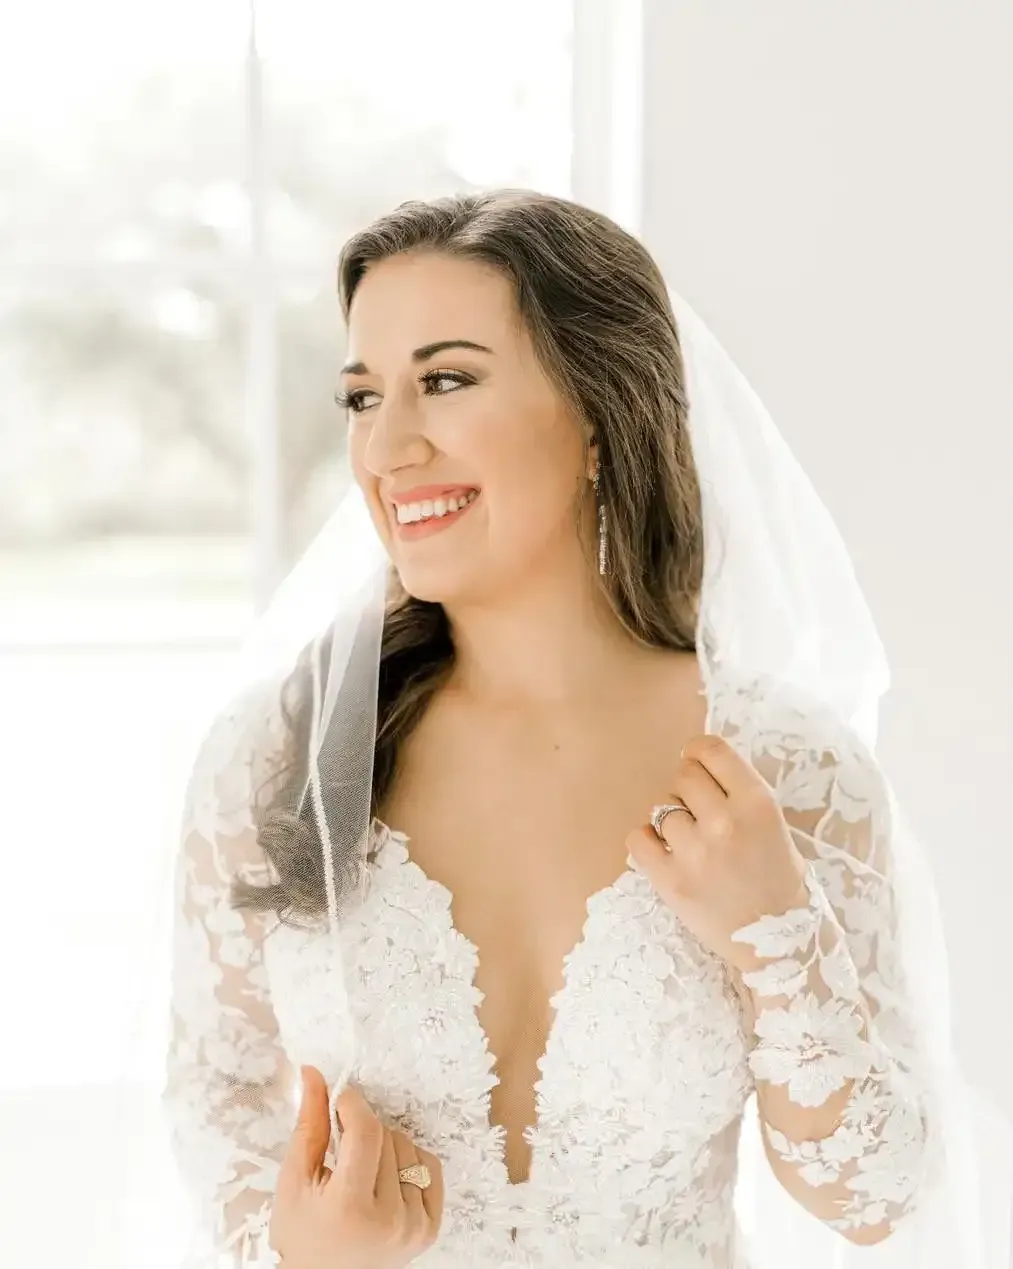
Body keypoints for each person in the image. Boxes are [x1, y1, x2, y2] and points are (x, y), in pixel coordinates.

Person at [159, 190, 1001, 1269]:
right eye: (363, 397)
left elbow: (874, 1197)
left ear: (596, 414)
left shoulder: (780, 764)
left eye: (446, 380)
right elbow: (214, 1086)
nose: (387, 447)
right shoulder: (276, 758)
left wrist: (774, 937)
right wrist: (287, 1248)